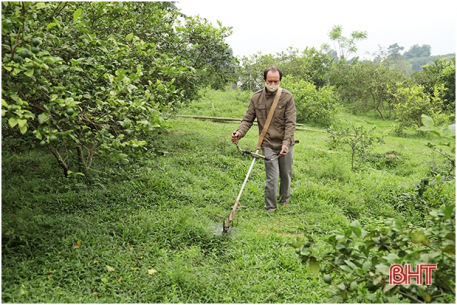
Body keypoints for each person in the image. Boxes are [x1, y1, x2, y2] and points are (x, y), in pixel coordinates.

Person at [231, 65, 296, 211]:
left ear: (280, 80)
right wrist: (239, 133)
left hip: (286, 142)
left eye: (276, 82)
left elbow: (290, 123)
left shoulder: (287, 97)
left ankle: (285, 199)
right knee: (272, 177)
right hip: (267, 143)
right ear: (264, 80)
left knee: (285, 174)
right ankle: (270, 207)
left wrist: (286, 144)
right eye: (270, 81)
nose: (273, 85)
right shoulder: (256, 98)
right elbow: (247, 120)